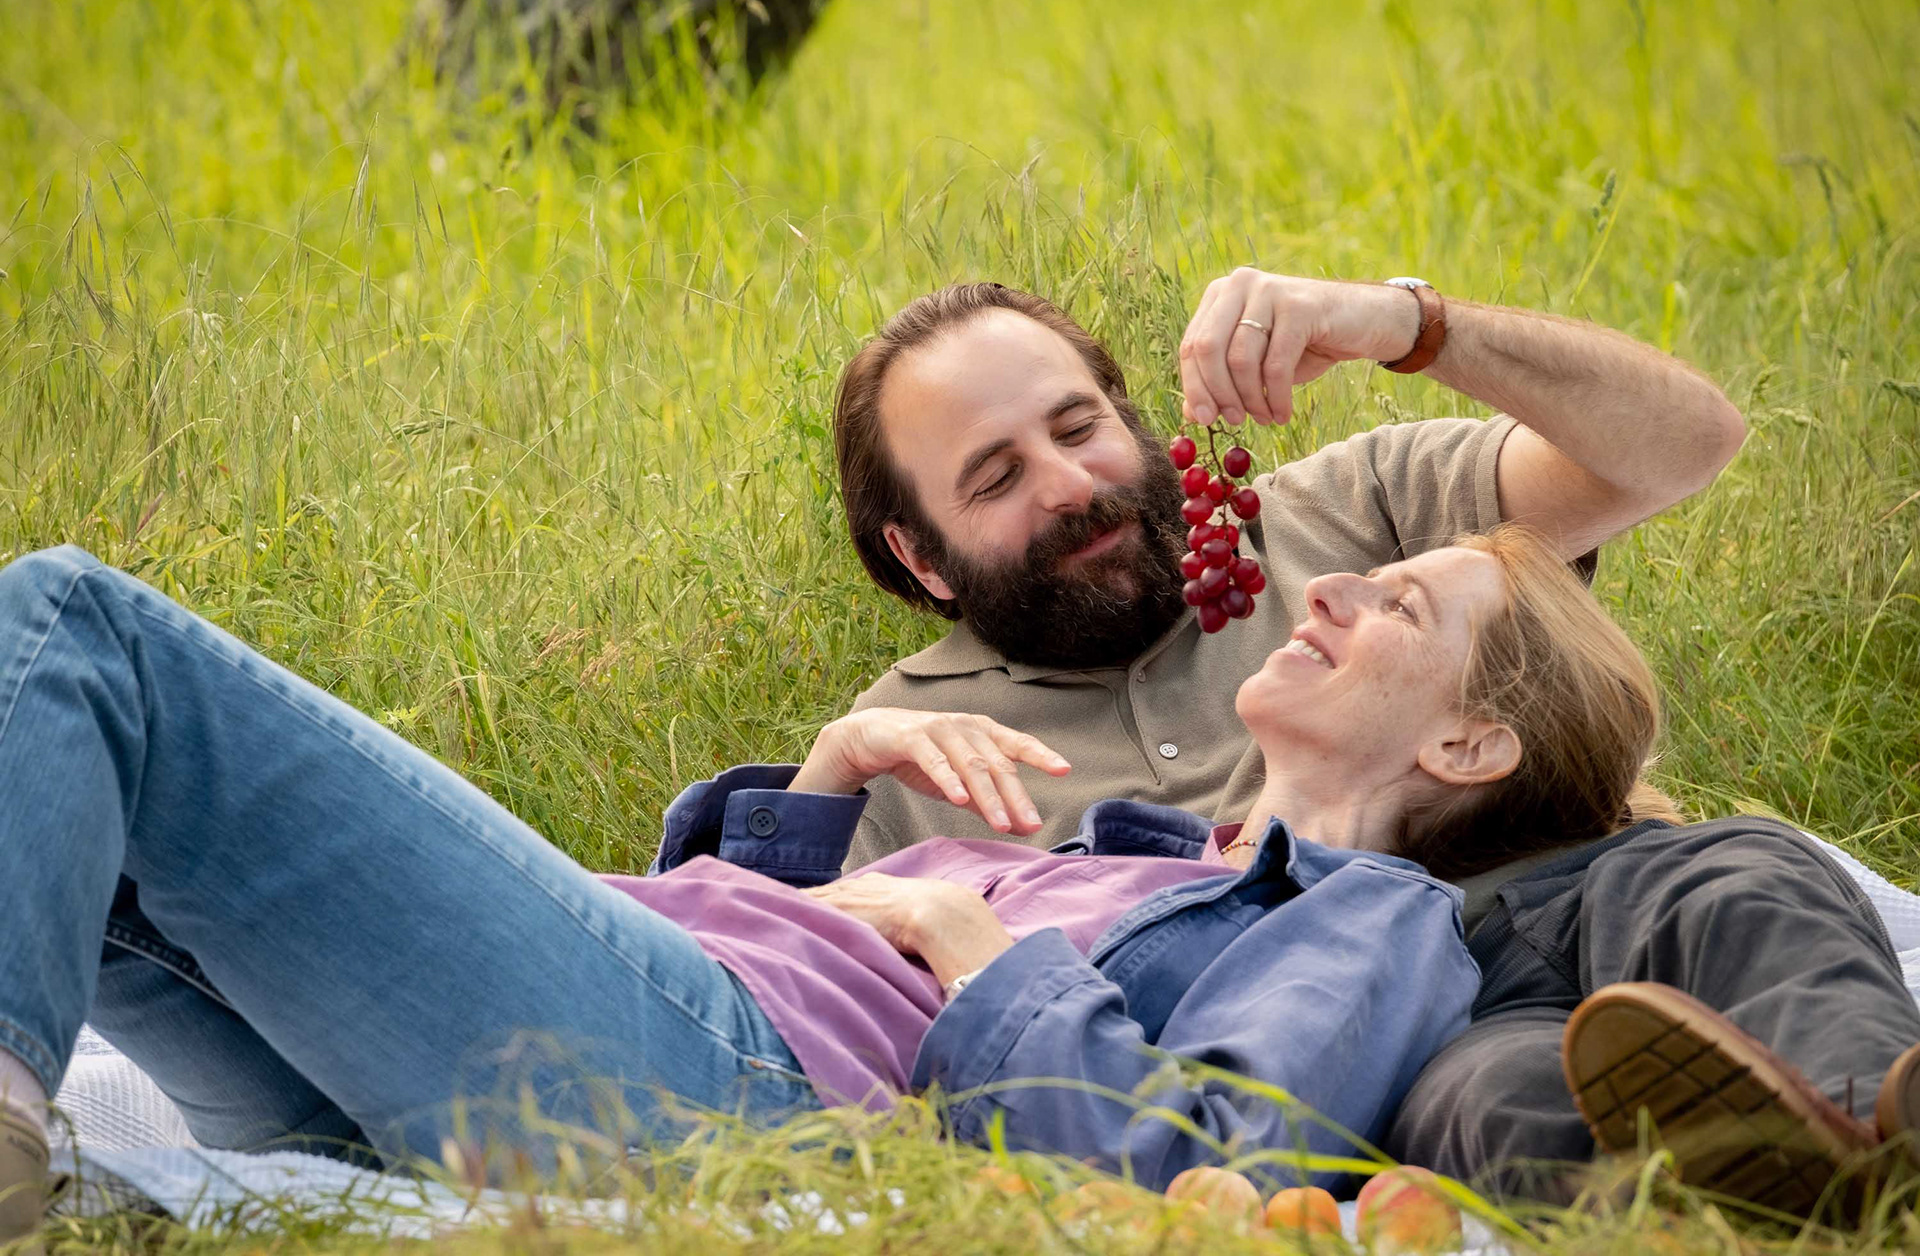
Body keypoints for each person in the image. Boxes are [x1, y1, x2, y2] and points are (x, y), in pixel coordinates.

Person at [0, 522, 1737, 1245]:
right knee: (100, 840)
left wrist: (983, 949)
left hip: (712, 1089)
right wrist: (817, 799)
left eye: (1404, 611)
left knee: (76, 632)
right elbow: (738, 942)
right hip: (604, 1040)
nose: (1336, 593)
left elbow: (1216, 1167)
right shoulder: (1144, 850)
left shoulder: (1364, 917)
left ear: (1468, 753)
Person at [831, 269, 1749, 867]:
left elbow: (1687, 445)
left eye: (1079, 428)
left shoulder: (1355, 511)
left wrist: (1404, 324)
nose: (1071, 484)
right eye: (997, 479)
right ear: (920, 556)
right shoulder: (903, 749)